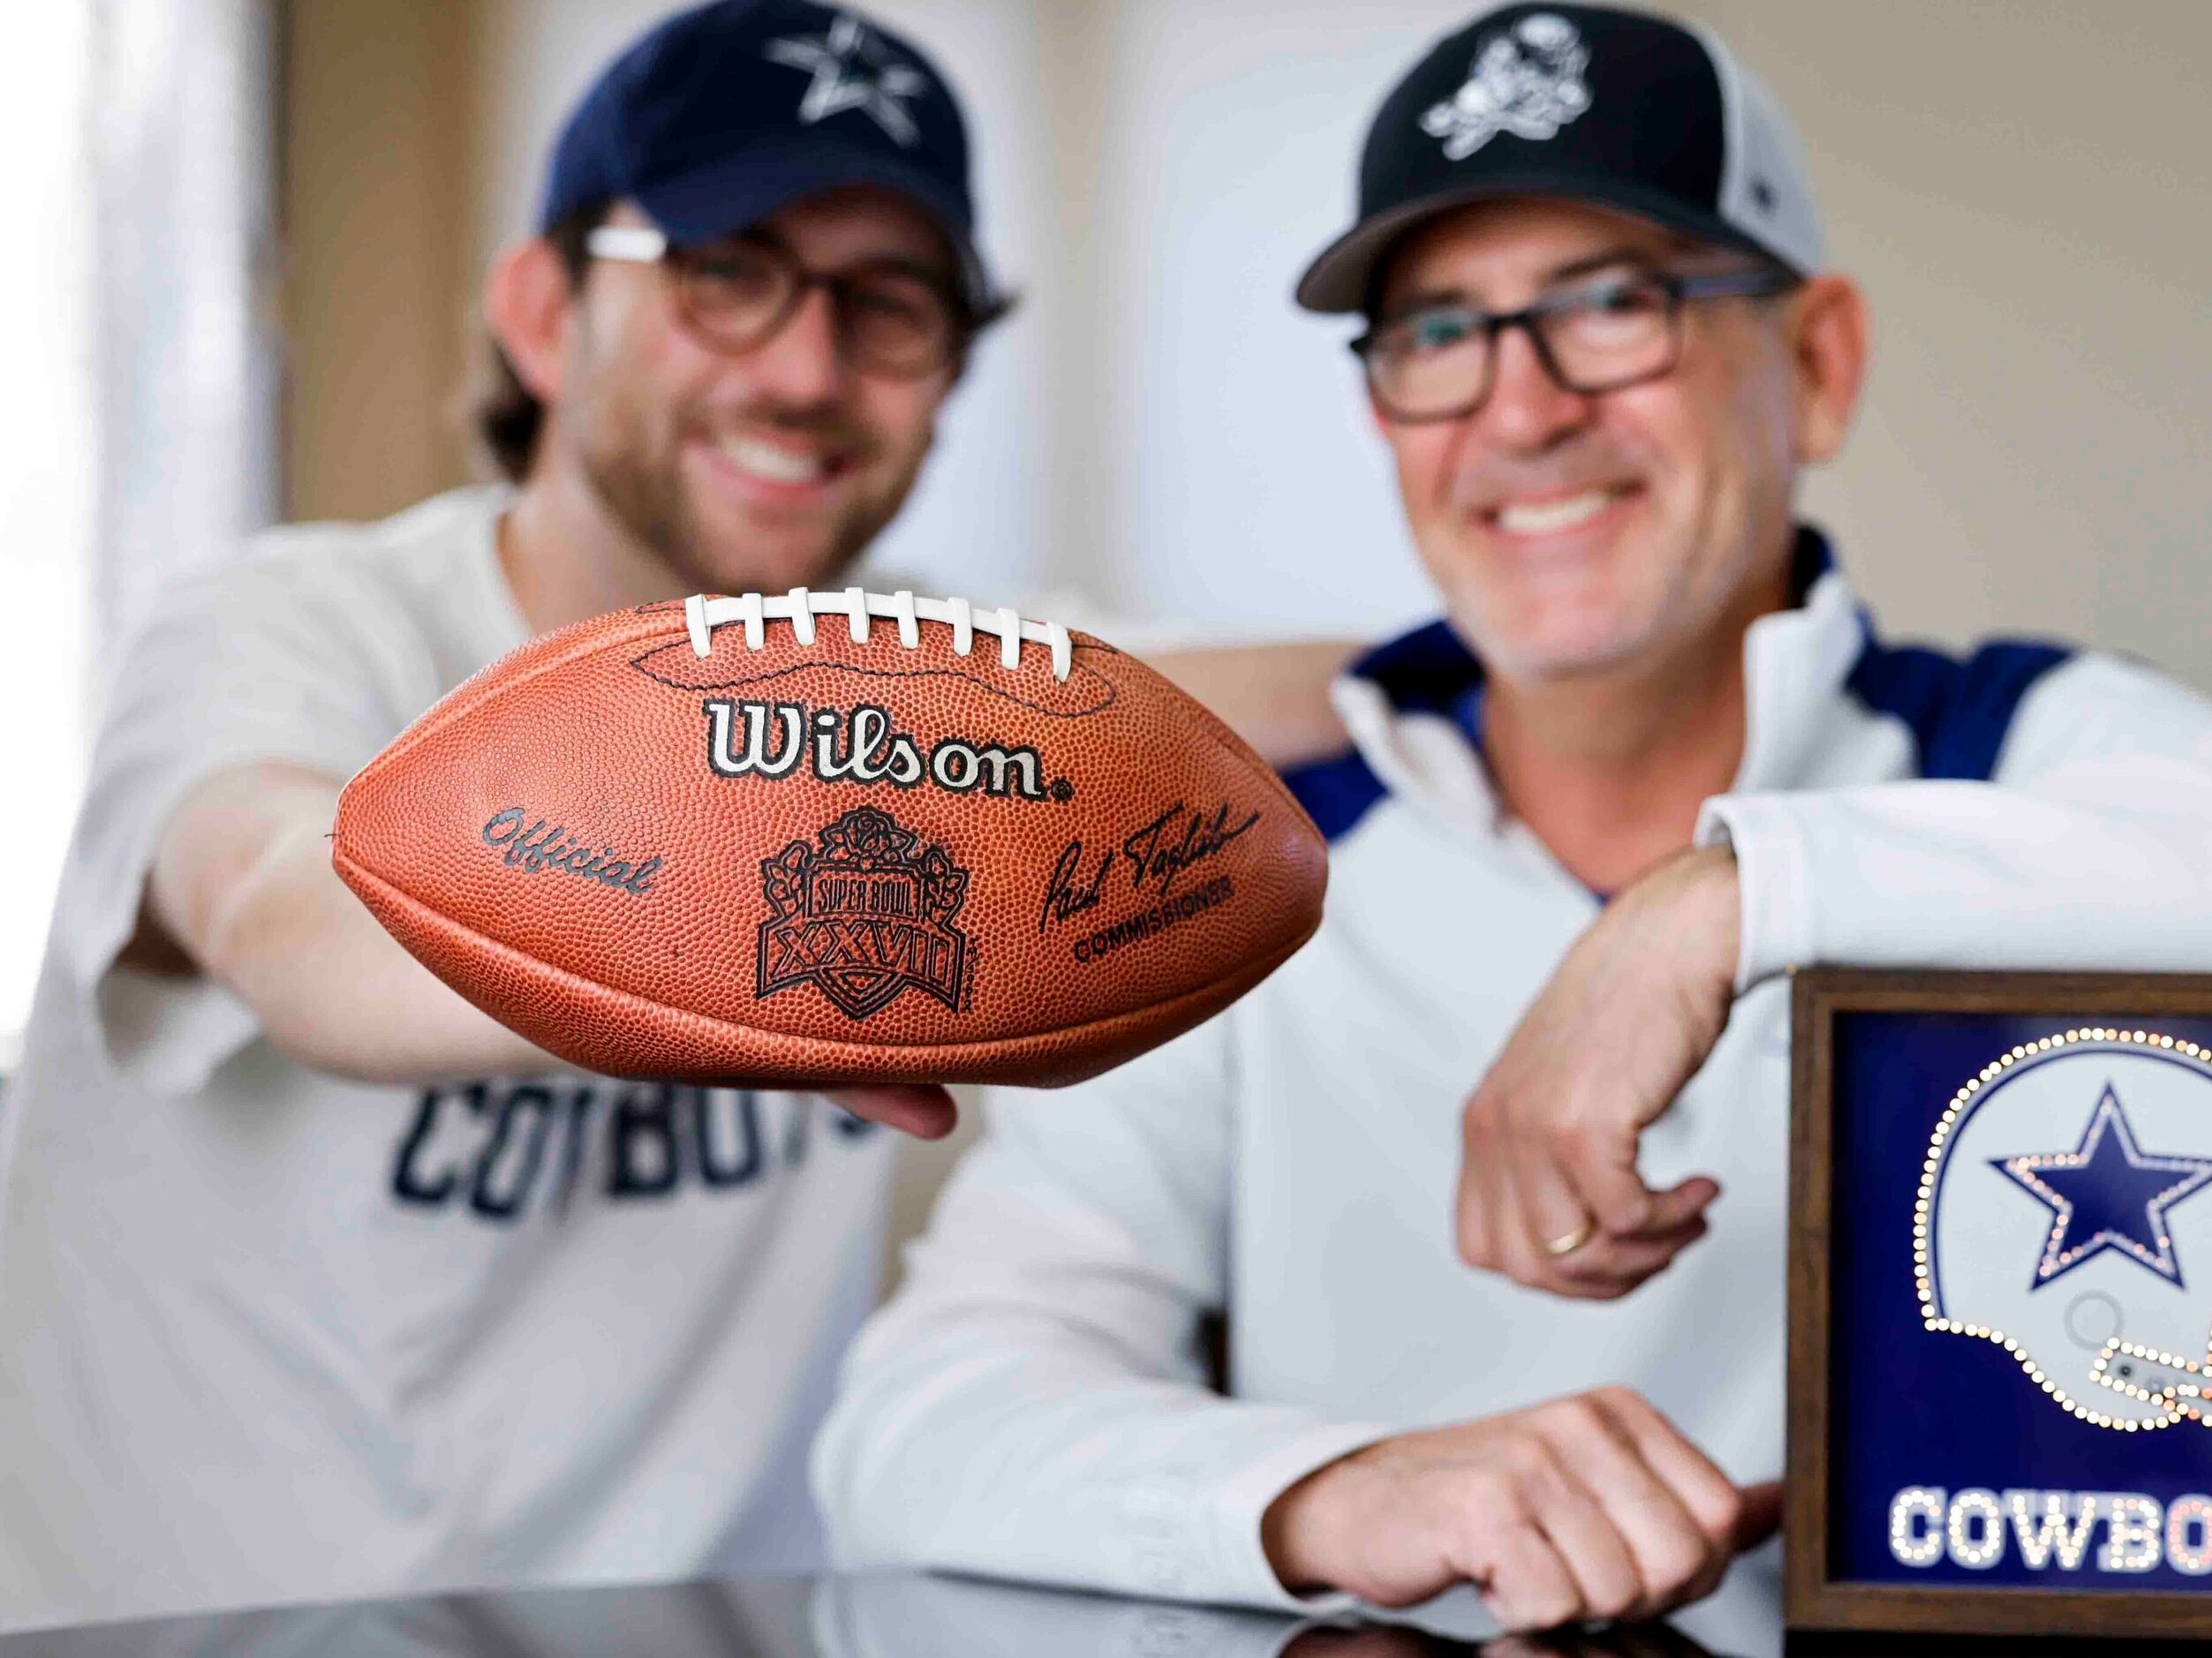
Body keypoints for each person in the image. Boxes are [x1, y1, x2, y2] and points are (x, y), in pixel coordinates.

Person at [813, 5, 2212, 1649]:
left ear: (1816, 364)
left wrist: (1729, 901)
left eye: (1612, 304)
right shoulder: (1229, 869)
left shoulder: (2006, 752)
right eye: (1436, 333)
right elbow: (917, 1424)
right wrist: (1343, 1487)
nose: (1521, 411)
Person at [0, 0, 1340, 1632]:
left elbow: (1266, 693)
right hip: (193, 1628)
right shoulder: (291, 626)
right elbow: (286, 910)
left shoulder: (920, 687)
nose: (804, 368)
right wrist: (703, 932)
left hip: (705, 1621)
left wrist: (1596, 640)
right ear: (543, 312)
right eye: (724, 268)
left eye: (893, 305)